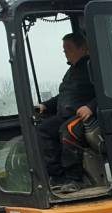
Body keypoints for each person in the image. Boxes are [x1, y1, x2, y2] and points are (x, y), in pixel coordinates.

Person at [36, 32, 96, 193]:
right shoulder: (72, 71)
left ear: (83, 48)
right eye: (64, 49)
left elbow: (107, 91)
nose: (65, 52)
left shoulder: (92, 67)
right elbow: (63, 96)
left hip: (84, 116)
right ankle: (57, 177)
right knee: (43, 129)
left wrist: (90, 107)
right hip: (64, 116)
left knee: (67, 130)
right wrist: (45, 105)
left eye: (68, 48)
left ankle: (75, 180)